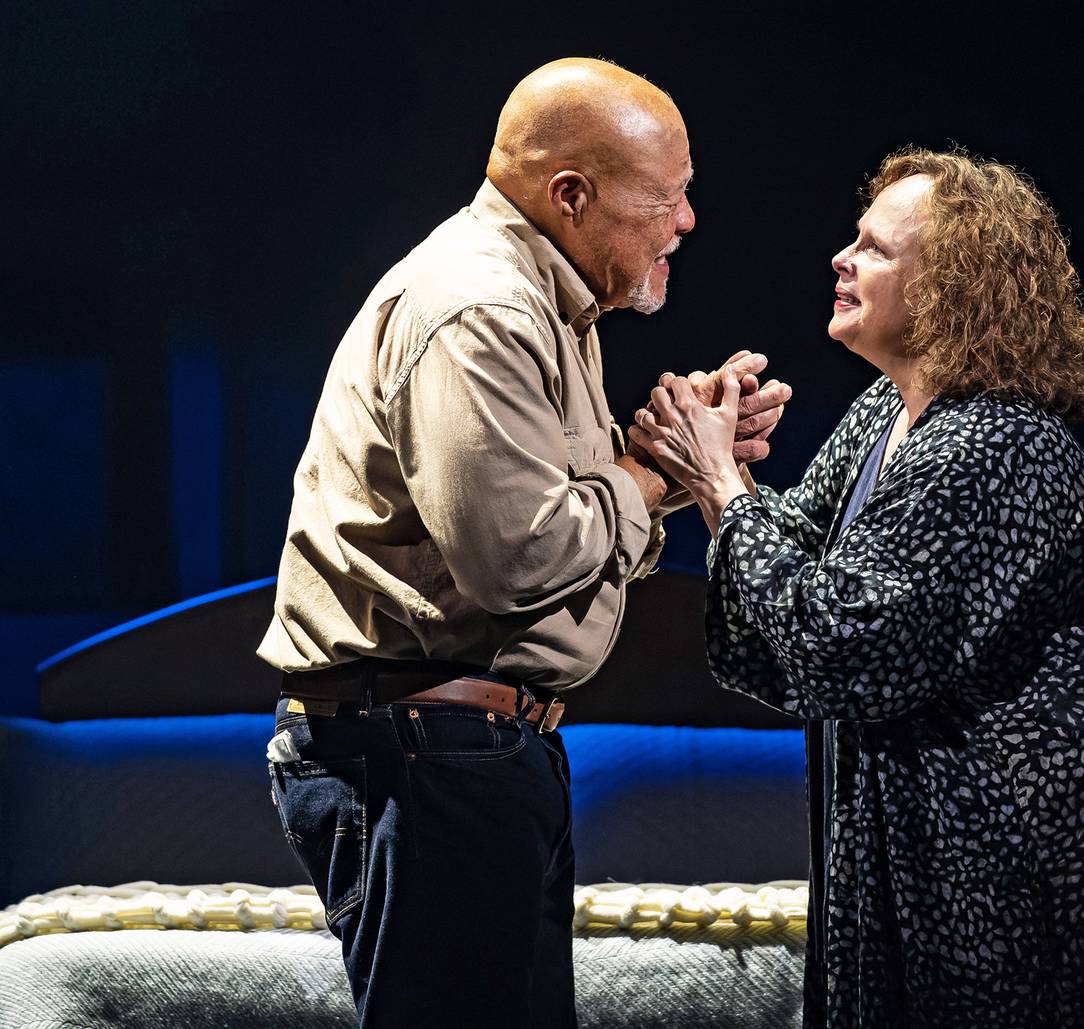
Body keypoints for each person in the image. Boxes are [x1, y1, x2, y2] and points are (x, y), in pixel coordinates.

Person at [256, 58, 789, 1028]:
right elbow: (523, 563)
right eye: (665, 197)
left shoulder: (551, 303)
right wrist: (663, 475)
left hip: (462, 749)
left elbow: (558, 525)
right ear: (572, 195)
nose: (687, 222)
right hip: (431, 753)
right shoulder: (484, 308)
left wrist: (658, 467)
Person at [629, 148, 1084, 1028]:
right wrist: (703, 468)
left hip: (1019, 882)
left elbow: (839, 643)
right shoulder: (881, 417)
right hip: (922, 862)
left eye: (876, 249)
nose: (841, 259)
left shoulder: (995, 448)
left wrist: (721, 486)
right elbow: (790, 580)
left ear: (950, 290)